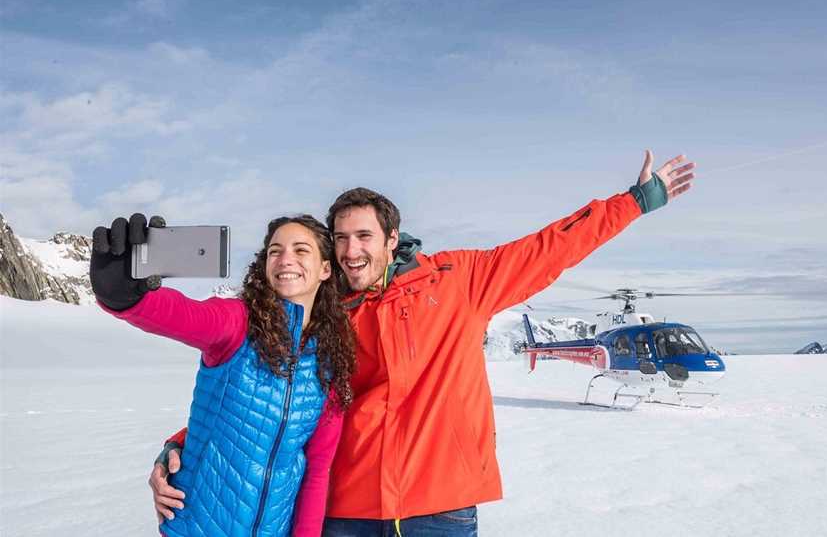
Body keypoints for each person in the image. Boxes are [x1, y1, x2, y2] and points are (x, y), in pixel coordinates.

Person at [150, 150, 696, 536]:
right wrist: (183, 446)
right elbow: (266, 393)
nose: (350, 252)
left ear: (392, 239)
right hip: (346, 511)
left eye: (364, 237)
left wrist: (634, 202)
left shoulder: (458, 281)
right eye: (339, 240)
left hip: (442, 508)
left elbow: (550, 247)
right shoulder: (320, 313)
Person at [91, 214, 356, 537]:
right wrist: (126, 297)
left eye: (301, 250)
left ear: (325, 270)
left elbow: (316, 472)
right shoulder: (239, 324)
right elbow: (185, 315)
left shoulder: (329, 363)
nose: (286, 259)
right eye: (275, 251)